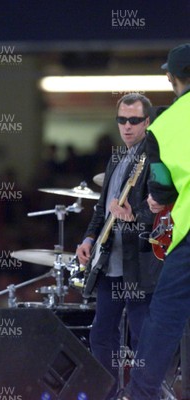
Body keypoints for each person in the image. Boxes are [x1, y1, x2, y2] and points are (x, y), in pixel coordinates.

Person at [75, 93, 162, 398]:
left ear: (147, 122)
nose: (127, 126)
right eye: (122, 120)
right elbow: (102, 208)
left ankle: (141, 395)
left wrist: (132, 217)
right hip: (110, 262)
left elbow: (162, 208)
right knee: (101, 335)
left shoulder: (153, 159)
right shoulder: (116, 157)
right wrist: (88, 239)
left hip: (139, 266)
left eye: (134, 120)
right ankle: (110, 394)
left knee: (141, 339)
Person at [119, 43, 190, 400]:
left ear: (172, 78)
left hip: (189, 231)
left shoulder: (164, 124)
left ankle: (142, 394)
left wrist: (155, 200)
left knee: (165, 316)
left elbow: (160, 189)